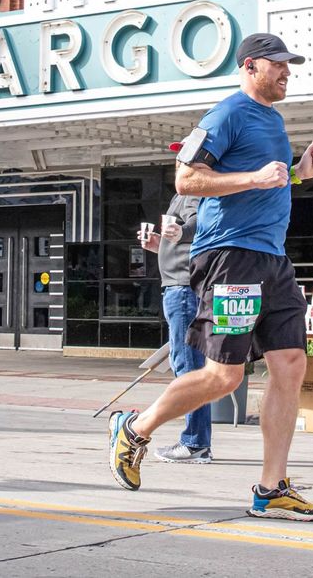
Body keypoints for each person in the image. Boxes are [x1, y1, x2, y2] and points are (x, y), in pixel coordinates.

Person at [108, 32, 313, 521]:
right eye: (278, 64)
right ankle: (136, 428)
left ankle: (271, 489)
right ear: (250, 66)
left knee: (291, 363)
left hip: (272, 257)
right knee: (224, 375)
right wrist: (254, 177)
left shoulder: (272, 120)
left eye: (289, 64)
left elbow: (265, 181)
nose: (287, 71)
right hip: (230, 257)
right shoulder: (227, 113)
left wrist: (297, 175)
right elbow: (186, 178)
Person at [139, 192, 211, 464]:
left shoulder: (192, 191)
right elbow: (184, 240)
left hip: (182, 289)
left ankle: (195, 443)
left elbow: (197, 224)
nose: (179, 163)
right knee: (190, 366)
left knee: (187, 367)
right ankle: (198, 442)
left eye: (183, 158)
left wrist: (181, 230)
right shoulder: (178, 196)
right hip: (181, 287)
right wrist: (161, 245)